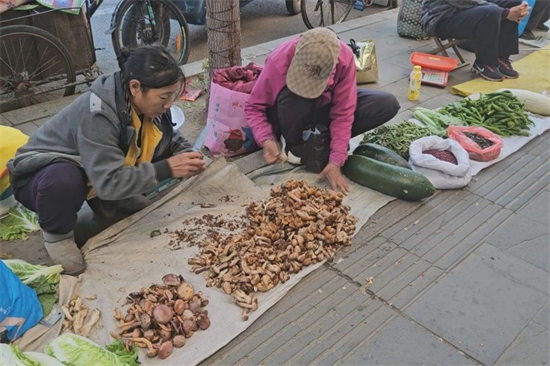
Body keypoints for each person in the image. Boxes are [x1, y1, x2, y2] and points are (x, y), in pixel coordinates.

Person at [7, 46, 206, 275]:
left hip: (94, 167)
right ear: (135, 87)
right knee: (63, 180)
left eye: (173, 95)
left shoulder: (148, 104)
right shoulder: (98, 114)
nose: (169, 103)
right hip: (39, 178)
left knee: (150, 148)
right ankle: (57, 236)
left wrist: (186, 153)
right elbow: (108, 181)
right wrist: (168, 168)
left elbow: (168, 135)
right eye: (164, 97)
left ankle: (114, 200)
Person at [245, 28, 400, 195]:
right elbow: (254, 106)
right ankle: (295, 144)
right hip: (290, 109)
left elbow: (343, 114)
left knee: (386, 103)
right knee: (295, 98)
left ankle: (323, 139)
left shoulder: (345, 59)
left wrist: (337, 160)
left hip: (324, 106)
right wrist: (266, 139)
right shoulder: (280, 58)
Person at [422, 0, 531, 81]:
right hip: (441, 18)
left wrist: (519, 9)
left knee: (512, 2)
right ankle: (484, 63)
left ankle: (501, 57)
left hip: (467, 9)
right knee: (492, 11)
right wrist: (506, 13)